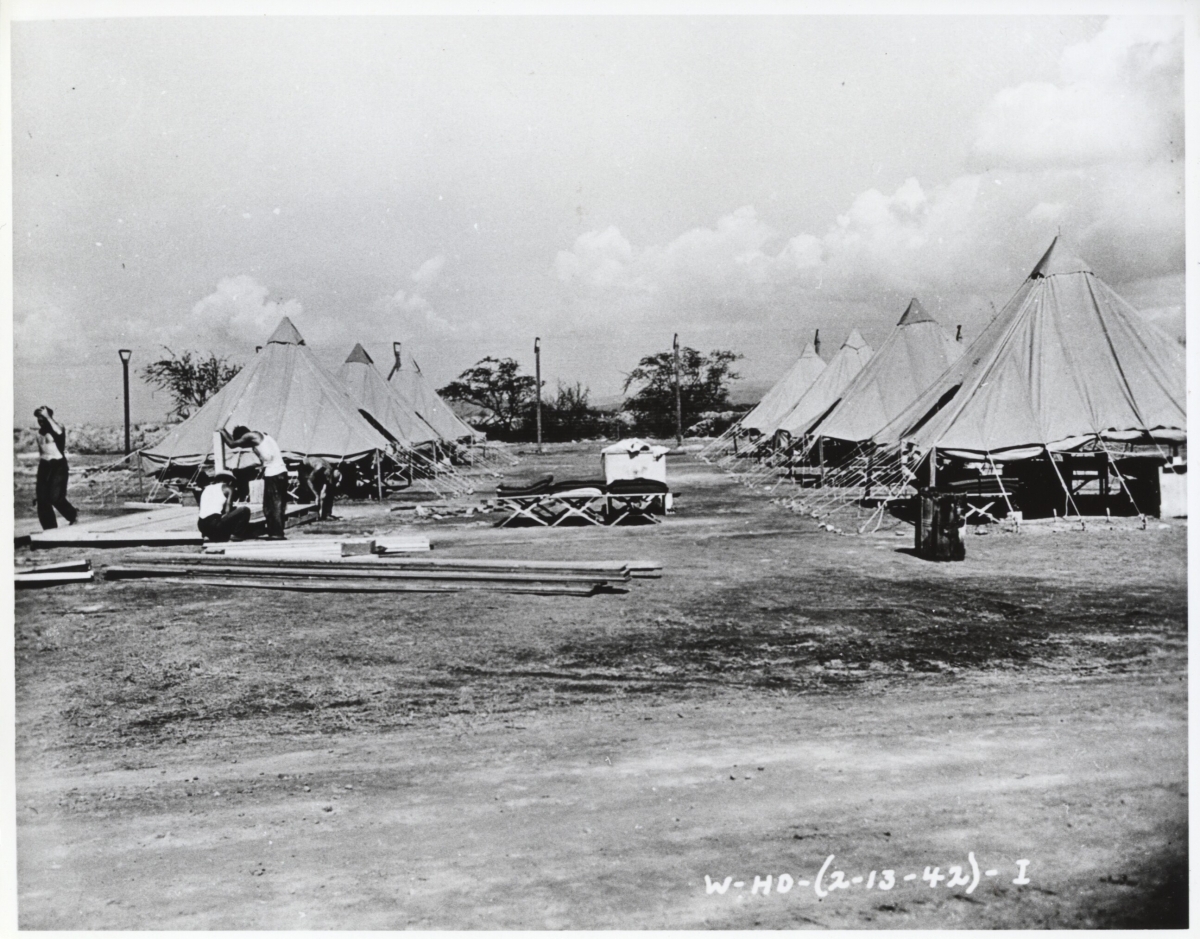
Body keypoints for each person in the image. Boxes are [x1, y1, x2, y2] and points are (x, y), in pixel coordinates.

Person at [219, 425, 289, 539]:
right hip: (281, 472)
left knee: (272, 505)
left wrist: (222, 430)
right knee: (275, 504)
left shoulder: (250, 435)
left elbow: (232, 444)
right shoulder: (263, 437)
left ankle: (277, 533)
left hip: (274, 473)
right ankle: (275, 531)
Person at [33, 406, 78, 530]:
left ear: (49, 417)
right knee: (42, 499)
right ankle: (49, 528)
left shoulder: (57, 428)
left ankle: (73, 515)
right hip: (44, 466)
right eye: (39, 419)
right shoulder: (38, 433)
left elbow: (59, 432)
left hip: (58, 465)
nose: (41, 421)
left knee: (55, 497)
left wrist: (48, 416)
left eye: (43, 418)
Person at [196, 471, 251, 542]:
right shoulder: (229, 488)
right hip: (215, 523)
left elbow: (202, 509)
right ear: (230, 482)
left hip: (201, 525)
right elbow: (227, 511)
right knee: (244, 510)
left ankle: (207, 535)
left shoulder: (206, 488)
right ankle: (236, 535)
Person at [300, 455, 341, 520]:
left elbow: (327, 484)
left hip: (318, 469)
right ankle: (311, 513)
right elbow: (309, 481)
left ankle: (326, 514)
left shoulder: (330, 469)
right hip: (304, 466)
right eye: (328, 475)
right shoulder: (319, 468)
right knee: (309, 490)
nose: (328, 477)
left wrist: (323, 492)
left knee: (327, 492)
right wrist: (316, 495)